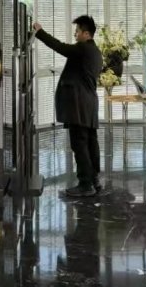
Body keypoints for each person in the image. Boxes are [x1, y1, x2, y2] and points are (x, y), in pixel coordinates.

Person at [32, 15, 104, 196]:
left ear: (86, 34)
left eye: (77, 31)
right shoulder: (96, 51)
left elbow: (59, 47)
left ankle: (85, 185)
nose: (75, 34)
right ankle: (94, 179)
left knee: (80, 144)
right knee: (90, 143)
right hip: (89, 103)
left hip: (79, 104)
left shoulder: (83, 48)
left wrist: (40, 32)